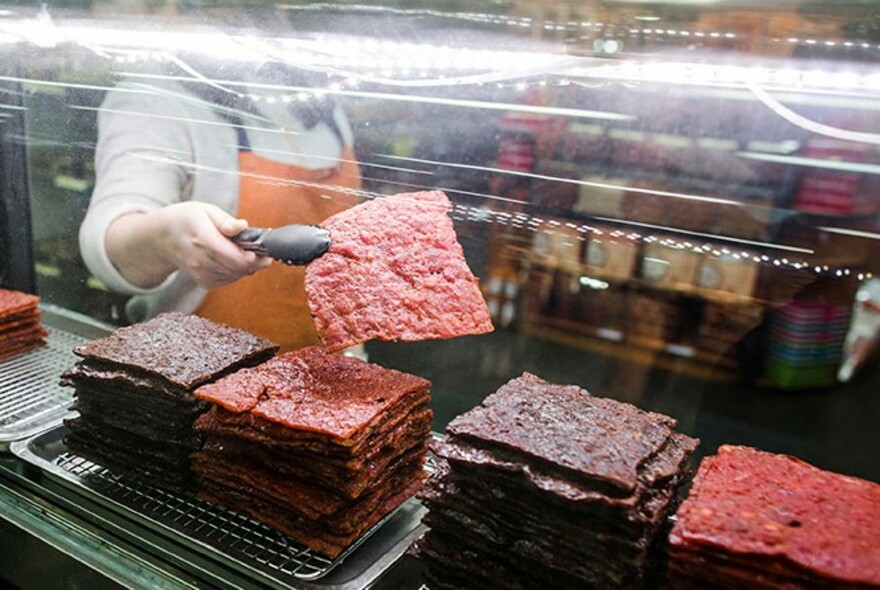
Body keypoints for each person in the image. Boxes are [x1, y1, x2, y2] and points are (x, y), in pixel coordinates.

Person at [79, 65, 362, 352]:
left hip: (329, 365)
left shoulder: (313, 93)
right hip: (204, 372)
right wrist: (167, 235)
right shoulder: (154, 99)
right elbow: (109, 235)